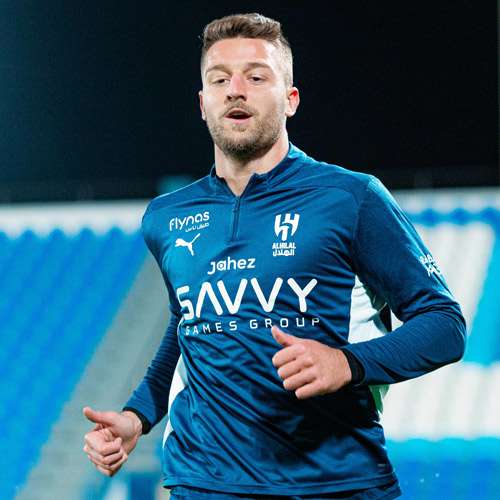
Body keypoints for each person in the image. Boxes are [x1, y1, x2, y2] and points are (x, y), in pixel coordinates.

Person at [83, 13, 466, 500]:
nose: (235, 90)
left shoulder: (350, 198)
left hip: (334, 485)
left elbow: (444, 324)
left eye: (256, 77)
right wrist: (138, 415)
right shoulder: (166, 216)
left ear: (290, 99)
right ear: (202, 103)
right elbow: (188, 323)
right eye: (219, 79)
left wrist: (347, 362)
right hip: (203, 484)